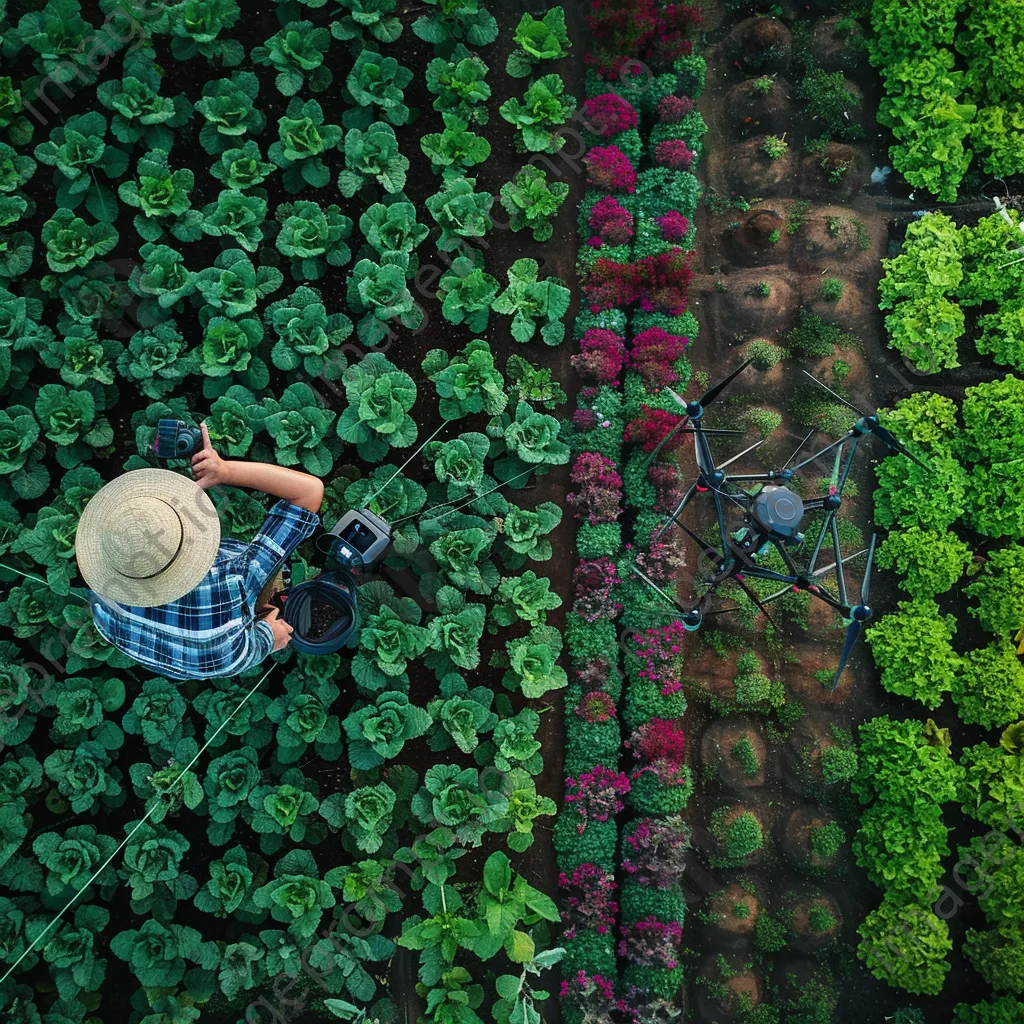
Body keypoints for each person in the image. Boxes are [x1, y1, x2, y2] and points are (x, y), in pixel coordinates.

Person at [75, 424, 324, 680]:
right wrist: (224, 471)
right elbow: (309, 492)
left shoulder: (101, 593)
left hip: (184, 661)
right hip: (220, 641)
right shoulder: (232, 579)